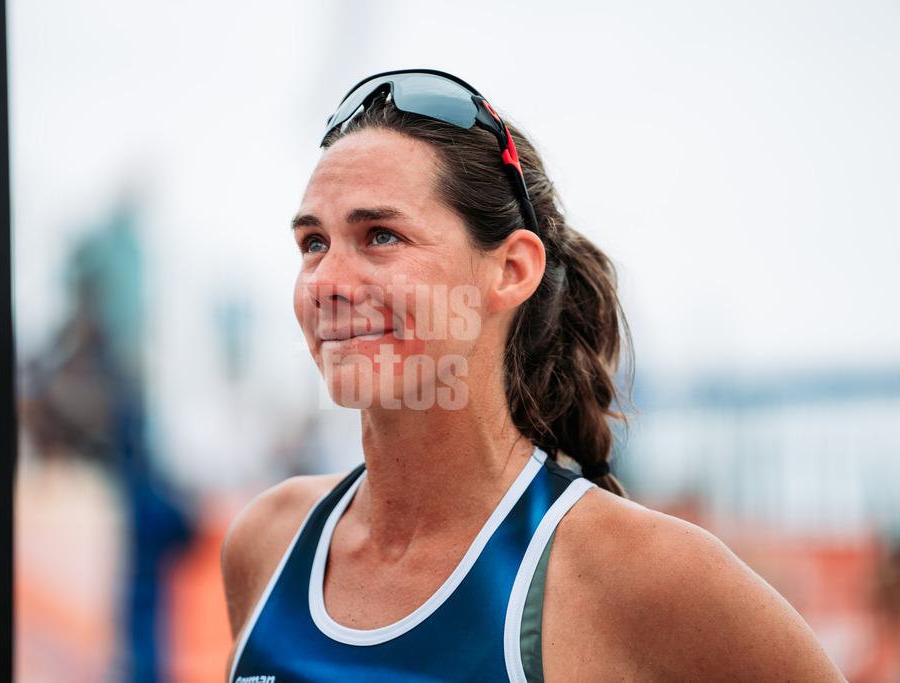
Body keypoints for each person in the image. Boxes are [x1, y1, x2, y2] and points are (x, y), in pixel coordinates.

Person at [221, 69, 844, 681]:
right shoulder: (269, 541)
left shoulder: (641, 575)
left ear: (512, 269)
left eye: (380, 235)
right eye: (312, 244)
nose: (326, 282)